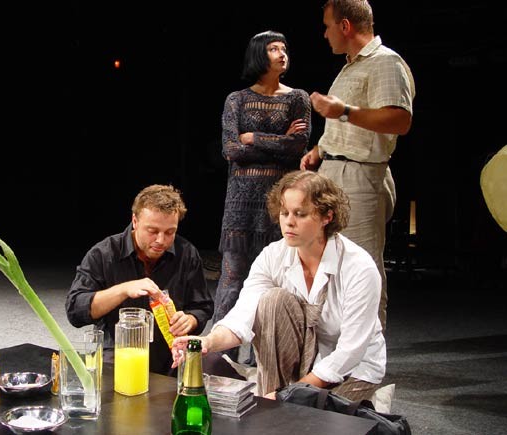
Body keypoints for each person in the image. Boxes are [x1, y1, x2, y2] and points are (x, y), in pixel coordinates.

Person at [172, 170, 386, 402]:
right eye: (284, 213)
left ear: (327, 217)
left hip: (350, 370)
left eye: (300, 214)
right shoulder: (273, 255)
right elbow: (244, 314)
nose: (289, 222)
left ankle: (280, 402)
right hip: (299, 363)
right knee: (272, 300)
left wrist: (292, 394)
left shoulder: (358, 267)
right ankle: (272, 399)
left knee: (314, 417)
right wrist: (207, 342)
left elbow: (350, 351)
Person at [300, 0, 416, 331]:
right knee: (332, 268)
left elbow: (400, 119)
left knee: (362, 270)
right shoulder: (351, 66)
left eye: (328, 26)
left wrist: (344, 111)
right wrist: (320, 149)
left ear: (345, 26)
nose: (325, 34)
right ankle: (339, 352)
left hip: (361, 177)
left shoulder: (386, 62)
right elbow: (349, 125)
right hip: (335, 174)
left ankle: (367, 359)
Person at [214, 30, 312, 363]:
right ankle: (221, 359)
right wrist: (277, 140)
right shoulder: (236, 100)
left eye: (284, 48)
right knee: (231, 283)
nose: (282, 53)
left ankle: (263, 362)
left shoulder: (298, 98)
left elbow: (298, 147)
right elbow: (231, 150)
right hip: (240, 206)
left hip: (280, 206)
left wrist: (252, 137)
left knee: (274, 285)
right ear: (259, 54)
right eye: (273, 48)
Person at [65, 184, 213, 376]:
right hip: (118, 356)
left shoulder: (187, 253)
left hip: (172, 356)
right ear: (135, 221)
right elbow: (75, 310)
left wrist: (190, 320)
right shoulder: (104, 254)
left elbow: (202, 306)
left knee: (213, 369)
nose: (161, 240)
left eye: (170, 232)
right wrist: (123, 290)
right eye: (152, 231)